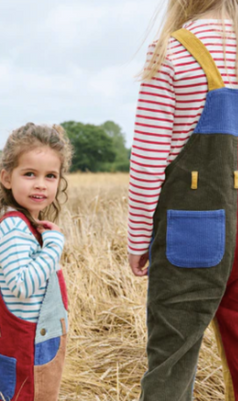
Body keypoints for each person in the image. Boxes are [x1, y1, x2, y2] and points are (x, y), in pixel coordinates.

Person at [127, 1, 238, 400]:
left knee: (171, 361)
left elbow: (147, 162)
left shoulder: (173, 49)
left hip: (194, 232)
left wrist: (138, 241)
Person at [0, 123, 73, 401]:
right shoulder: (13, 228)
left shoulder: (23, 223)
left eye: (50, 176)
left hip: (36, 339)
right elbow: (22, 285)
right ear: (7, 178)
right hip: (28, 346)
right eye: (29, 174)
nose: (40, 183)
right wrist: (54, 246)